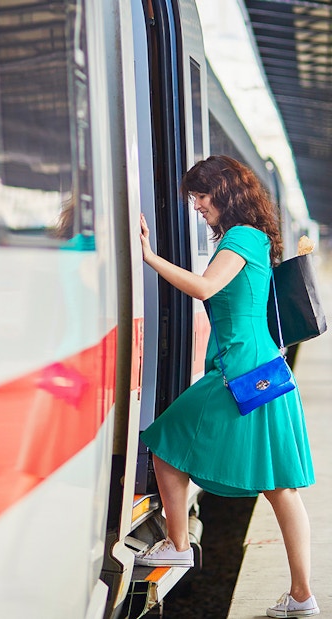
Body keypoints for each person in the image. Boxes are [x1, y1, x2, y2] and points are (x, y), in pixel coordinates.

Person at [137, 155, 319, 618]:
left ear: (224, 192)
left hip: (240, 373)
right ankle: (302, 596)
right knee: (280, 488)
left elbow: (204, 289)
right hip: (261, 371)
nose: (196, 206)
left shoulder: (240, 237)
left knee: (164, 439)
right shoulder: (255, 237)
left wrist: (147, 256)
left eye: (200, 196)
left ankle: (178, 544)